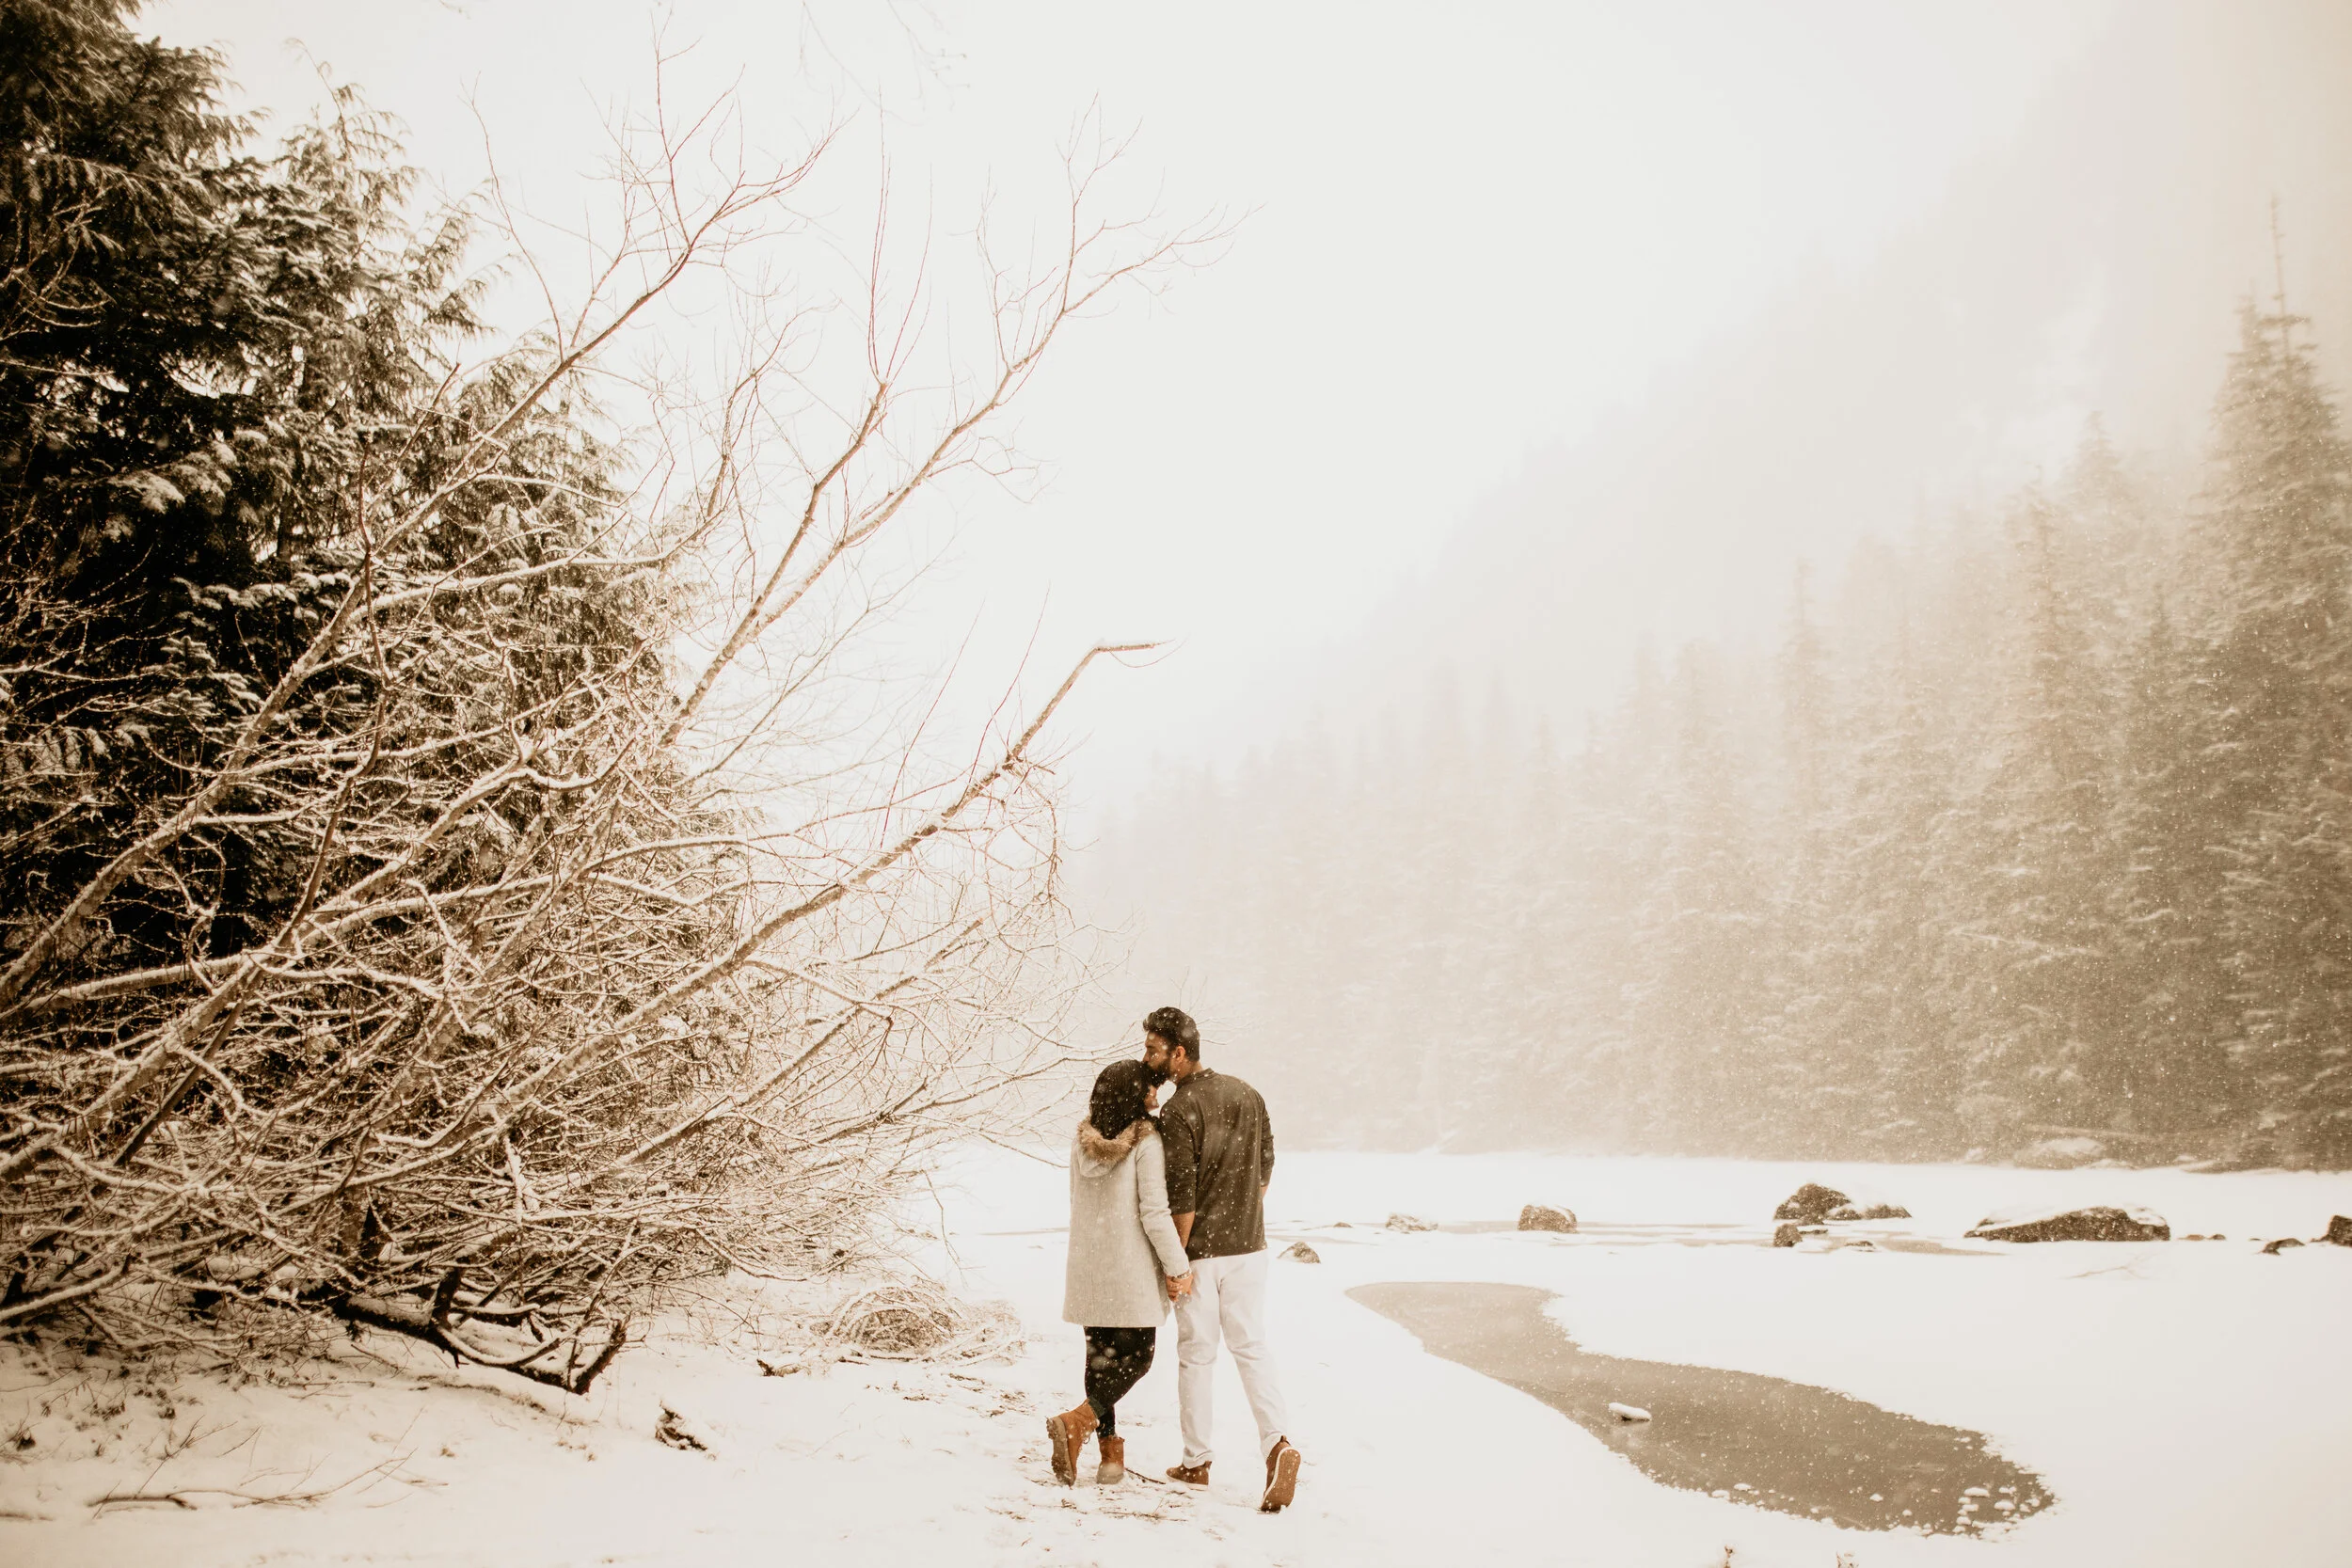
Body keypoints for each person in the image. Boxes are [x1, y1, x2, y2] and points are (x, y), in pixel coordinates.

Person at [1141, 1006, 1301, 1513]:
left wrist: (1177, 1266)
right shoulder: (1246, 1093)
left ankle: (1196, 1461)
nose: (1148, 1058)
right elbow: (1265, 1170)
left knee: (1197, 1355)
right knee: (1251, 1346)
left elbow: (1181, 1198)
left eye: (1153, 1049)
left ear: (1179, 1053)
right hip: (1251, 1249)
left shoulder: (1179, 1111)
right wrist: (1241, 1216)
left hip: (1202, 1253)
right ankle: (1278, 1445)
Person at [1047, 1059, 1195, 1487]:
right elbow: (1154, 1213)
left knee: (1101, 1361)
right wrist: (1177, 1266)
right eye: (1150, 1090)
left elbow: (1076, 1200)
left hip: (1090, 1267)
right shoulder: (1146, 1143)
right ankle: (1080, 1421)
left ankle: (1109, 1457)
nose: (1156, 1097)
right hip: (1128, 1271)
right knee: (1140, 1360)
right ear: (1134, 1095)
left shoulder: (1081, 1141)